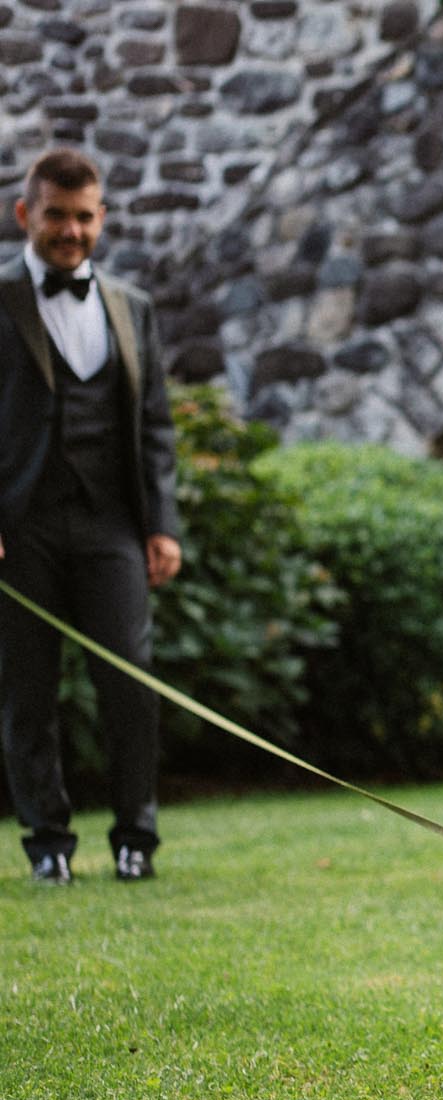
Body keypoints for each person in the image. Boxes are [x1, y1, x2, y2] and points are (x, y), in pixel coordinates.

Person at [0, 149, 182, 884]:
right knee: (27, 688)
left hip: (111, 525)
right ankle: (47, 841)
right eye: (57, 216)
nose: (71, 231)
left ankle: (137, 834)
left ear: (101, 218)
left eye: (84, 217)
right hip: (20, 531)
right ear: (26, 215)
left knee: (129, 680)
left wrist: (161, 523)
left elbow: (157, 424)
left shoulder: (131, 306)